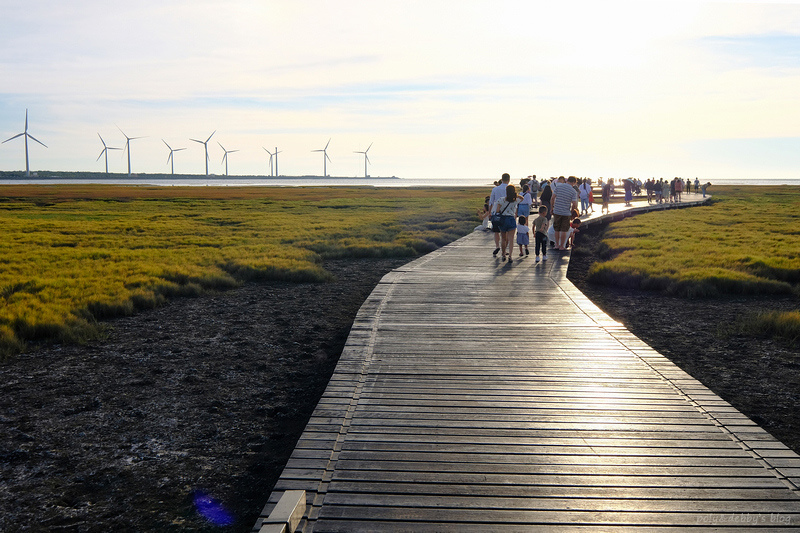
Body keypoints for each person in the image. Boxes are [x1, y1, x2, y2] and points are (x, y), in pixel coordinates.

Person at [494, 184, 521, 262]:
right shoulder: (515, 200)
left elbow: (497, 211)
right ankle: (510, 256)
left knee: (503, 238)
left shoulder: (501, 200)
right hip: (511, 219)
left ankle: (503, 254)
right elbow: (522, 198)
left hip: (503, 219)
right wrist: (515, 195)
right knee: (511, 239)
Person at [551, 176, 579, 250]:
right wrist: (572, 211)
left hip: (557, 211)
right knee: (564, 229)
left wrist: (552, 208)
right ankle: (562, 246)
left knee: (556, 229)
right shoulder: (573, 191)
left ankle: (556, 244)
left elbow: (552, 198)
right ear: (574, 182)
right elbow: (574, 204)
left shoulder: (558, 187)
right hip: (566, 212)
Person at [489, 173, 511, 256]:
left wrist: (489, 212)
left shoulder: (495, 189)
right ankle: (504, 250)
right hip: (507, 213)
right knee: (506, 232)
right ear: (509, 180)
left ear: (501, 179)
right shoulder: (510, 189)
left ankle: (497, 246)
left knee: (496, 231)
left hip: (496, 212)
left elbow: (491, 202)